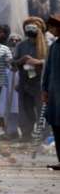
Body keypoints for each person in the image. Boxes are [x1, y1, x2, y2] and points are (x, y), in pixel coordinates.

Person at [12, 17, 47, 141]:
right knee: (25, 110)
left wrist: (38, 62)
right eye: (27, 27)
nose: (30, 29)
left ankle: (43, 136)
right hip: (25, 82)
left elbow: (53, 62)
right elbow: (13, 64)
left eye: (33, 27)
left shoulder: (48, 44)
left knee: (41, 110)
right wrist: (21, 60)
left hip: (41, 83)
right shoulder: (21, 45)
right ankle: (26, 135)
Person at [41, 14, 60, 170]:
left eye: (52, 27)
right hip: (54, 95)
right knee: (56, 126)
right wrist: (45, 89)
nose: (51, 31)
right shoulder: (54, 46)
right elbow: (48, 70)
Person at [0, 33, 22, 140]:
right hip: (6, 82)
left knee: (16, 107)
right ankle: (7, 130)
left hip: (18, 81)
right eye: (12, 39)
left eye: (17, 40)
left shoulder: (22, 51)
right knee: (3, 106)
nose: (14, 42)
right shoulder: (4, 52)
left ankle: (14, 131)